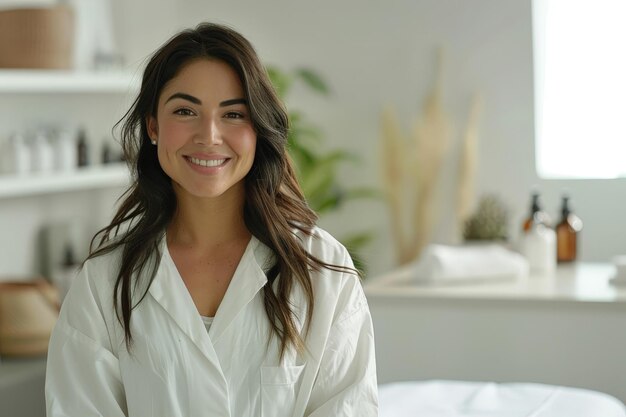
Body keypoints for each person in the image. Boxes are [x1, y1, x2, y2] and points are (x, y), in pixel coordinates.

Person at [45, 22, 378, 416]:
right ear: (154, 126)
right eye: (185, 111)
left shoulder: (323, 270)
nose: (209, 135)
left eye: (234, 114)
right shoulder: (105, 281)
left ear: (257, 128)